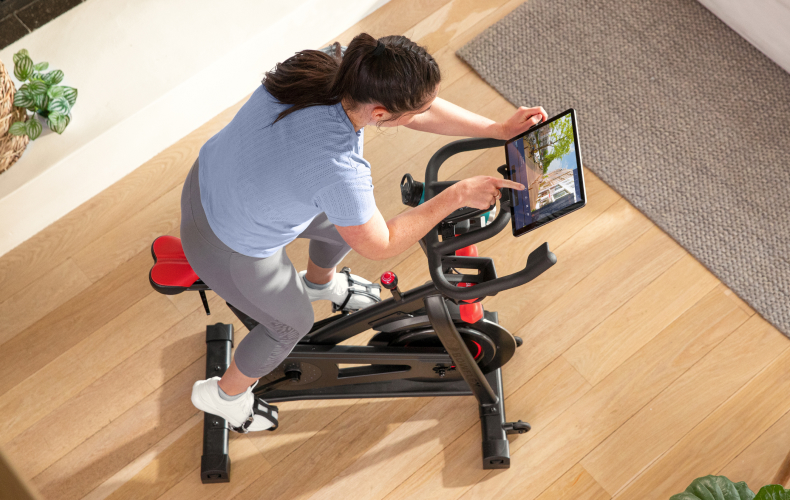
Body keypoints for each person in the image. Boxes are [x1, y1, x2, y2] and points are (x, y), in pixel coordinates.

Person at [182, 33, 547, 433]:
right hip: (225, 242)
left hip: (216, 178)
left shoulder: (328, 64)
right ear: (378, 112)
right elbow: (381, 244)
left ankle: (319, 283)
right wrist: (457, 195)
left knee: (348, 224)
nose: (423, 112)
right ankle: (223, 396)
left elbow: (414, 108)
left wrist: (497, 129)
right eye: (413, 111)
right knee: (291, 324)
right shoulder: (338, 168)